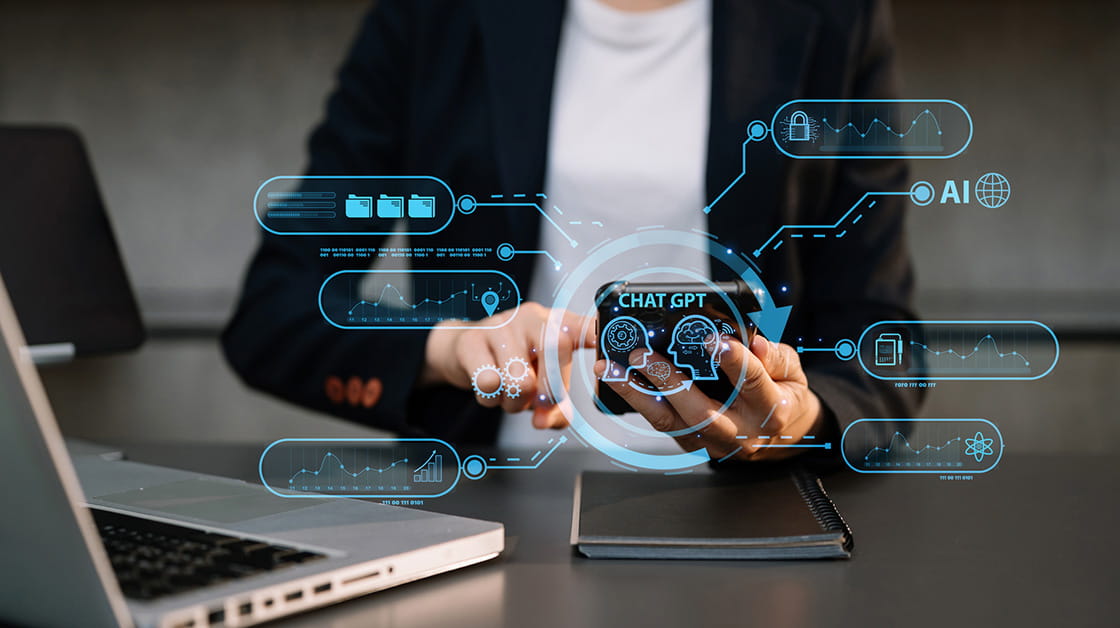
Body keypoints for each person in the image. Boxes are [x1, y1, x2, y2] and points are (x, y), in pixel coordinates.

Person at [223, 0, 923, 462]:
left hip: (750, 511)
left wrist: (800, 419)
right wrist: (451, 347)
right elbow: (276, 312)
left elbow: (881, 337)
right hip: (486, 503)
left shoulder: (834, 17)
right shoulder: (433, 14)